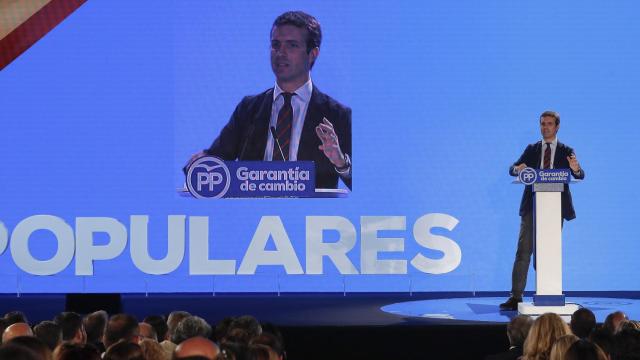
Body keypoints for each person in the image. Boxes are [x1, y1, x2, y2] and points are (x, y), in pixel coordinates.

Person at [186, 11, 352, 190]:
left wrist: (341, 163)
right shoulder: (249, 109)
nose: (281, 53)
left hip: (309, 215)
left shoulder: (338, 115)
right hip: (254, 213)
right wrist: (201, 165)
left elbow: (365, 185)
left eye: (292, 45)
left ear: (312, 53)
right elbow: (215, 162)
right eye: (275, 45)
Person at [500, 111, 585, 310]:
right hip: (532, 207)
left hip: (554, 209)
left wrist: (576, 169)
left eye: (549, 124)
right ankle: (516, 296)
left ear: (557, 127)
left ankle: (548, 291)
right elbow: (513, 168)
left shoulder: (566, 150)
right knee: (523, 251)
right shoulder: (532, 149)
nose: (545, 127)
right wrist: (517, 169)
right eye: (542, 124)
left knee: (547, 252)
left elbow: (580, 174)